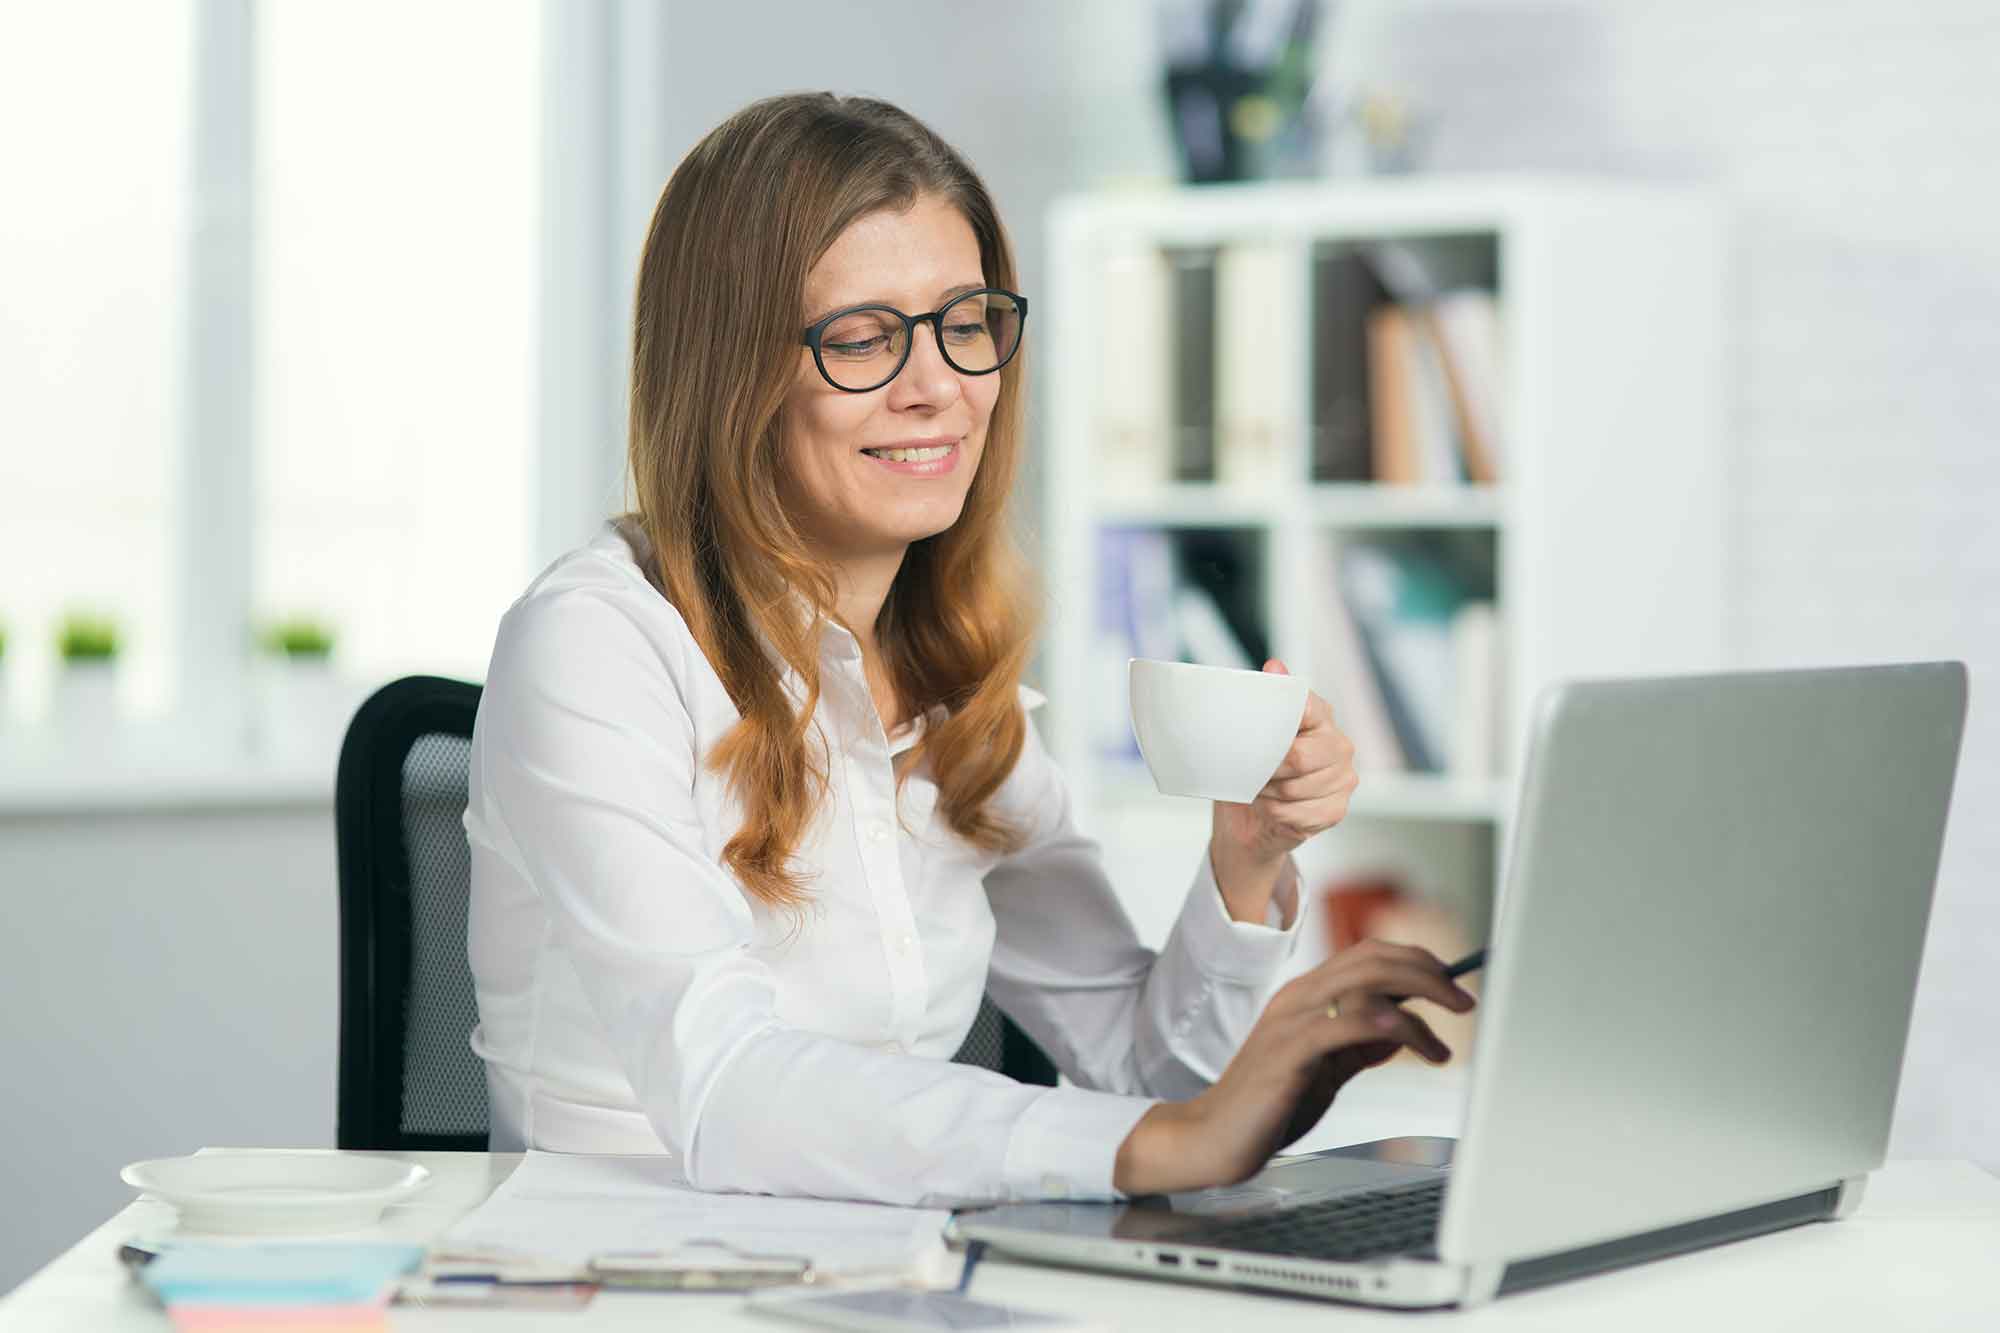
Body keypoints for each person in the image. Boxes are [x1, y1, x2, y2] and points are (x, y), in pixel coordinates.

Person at [464, 91, 1475, 1207]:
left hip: (898, 1265)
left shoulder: (946, 680)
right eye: (861, 337)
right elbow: (724, 1083)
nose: (938, 387)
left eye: (966, 323)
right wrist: (1157, 1141)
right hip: (626, 1264)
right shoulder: (595, 644)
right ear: (728, 371)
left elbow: (1149, 1074)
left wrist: (1245, 860)